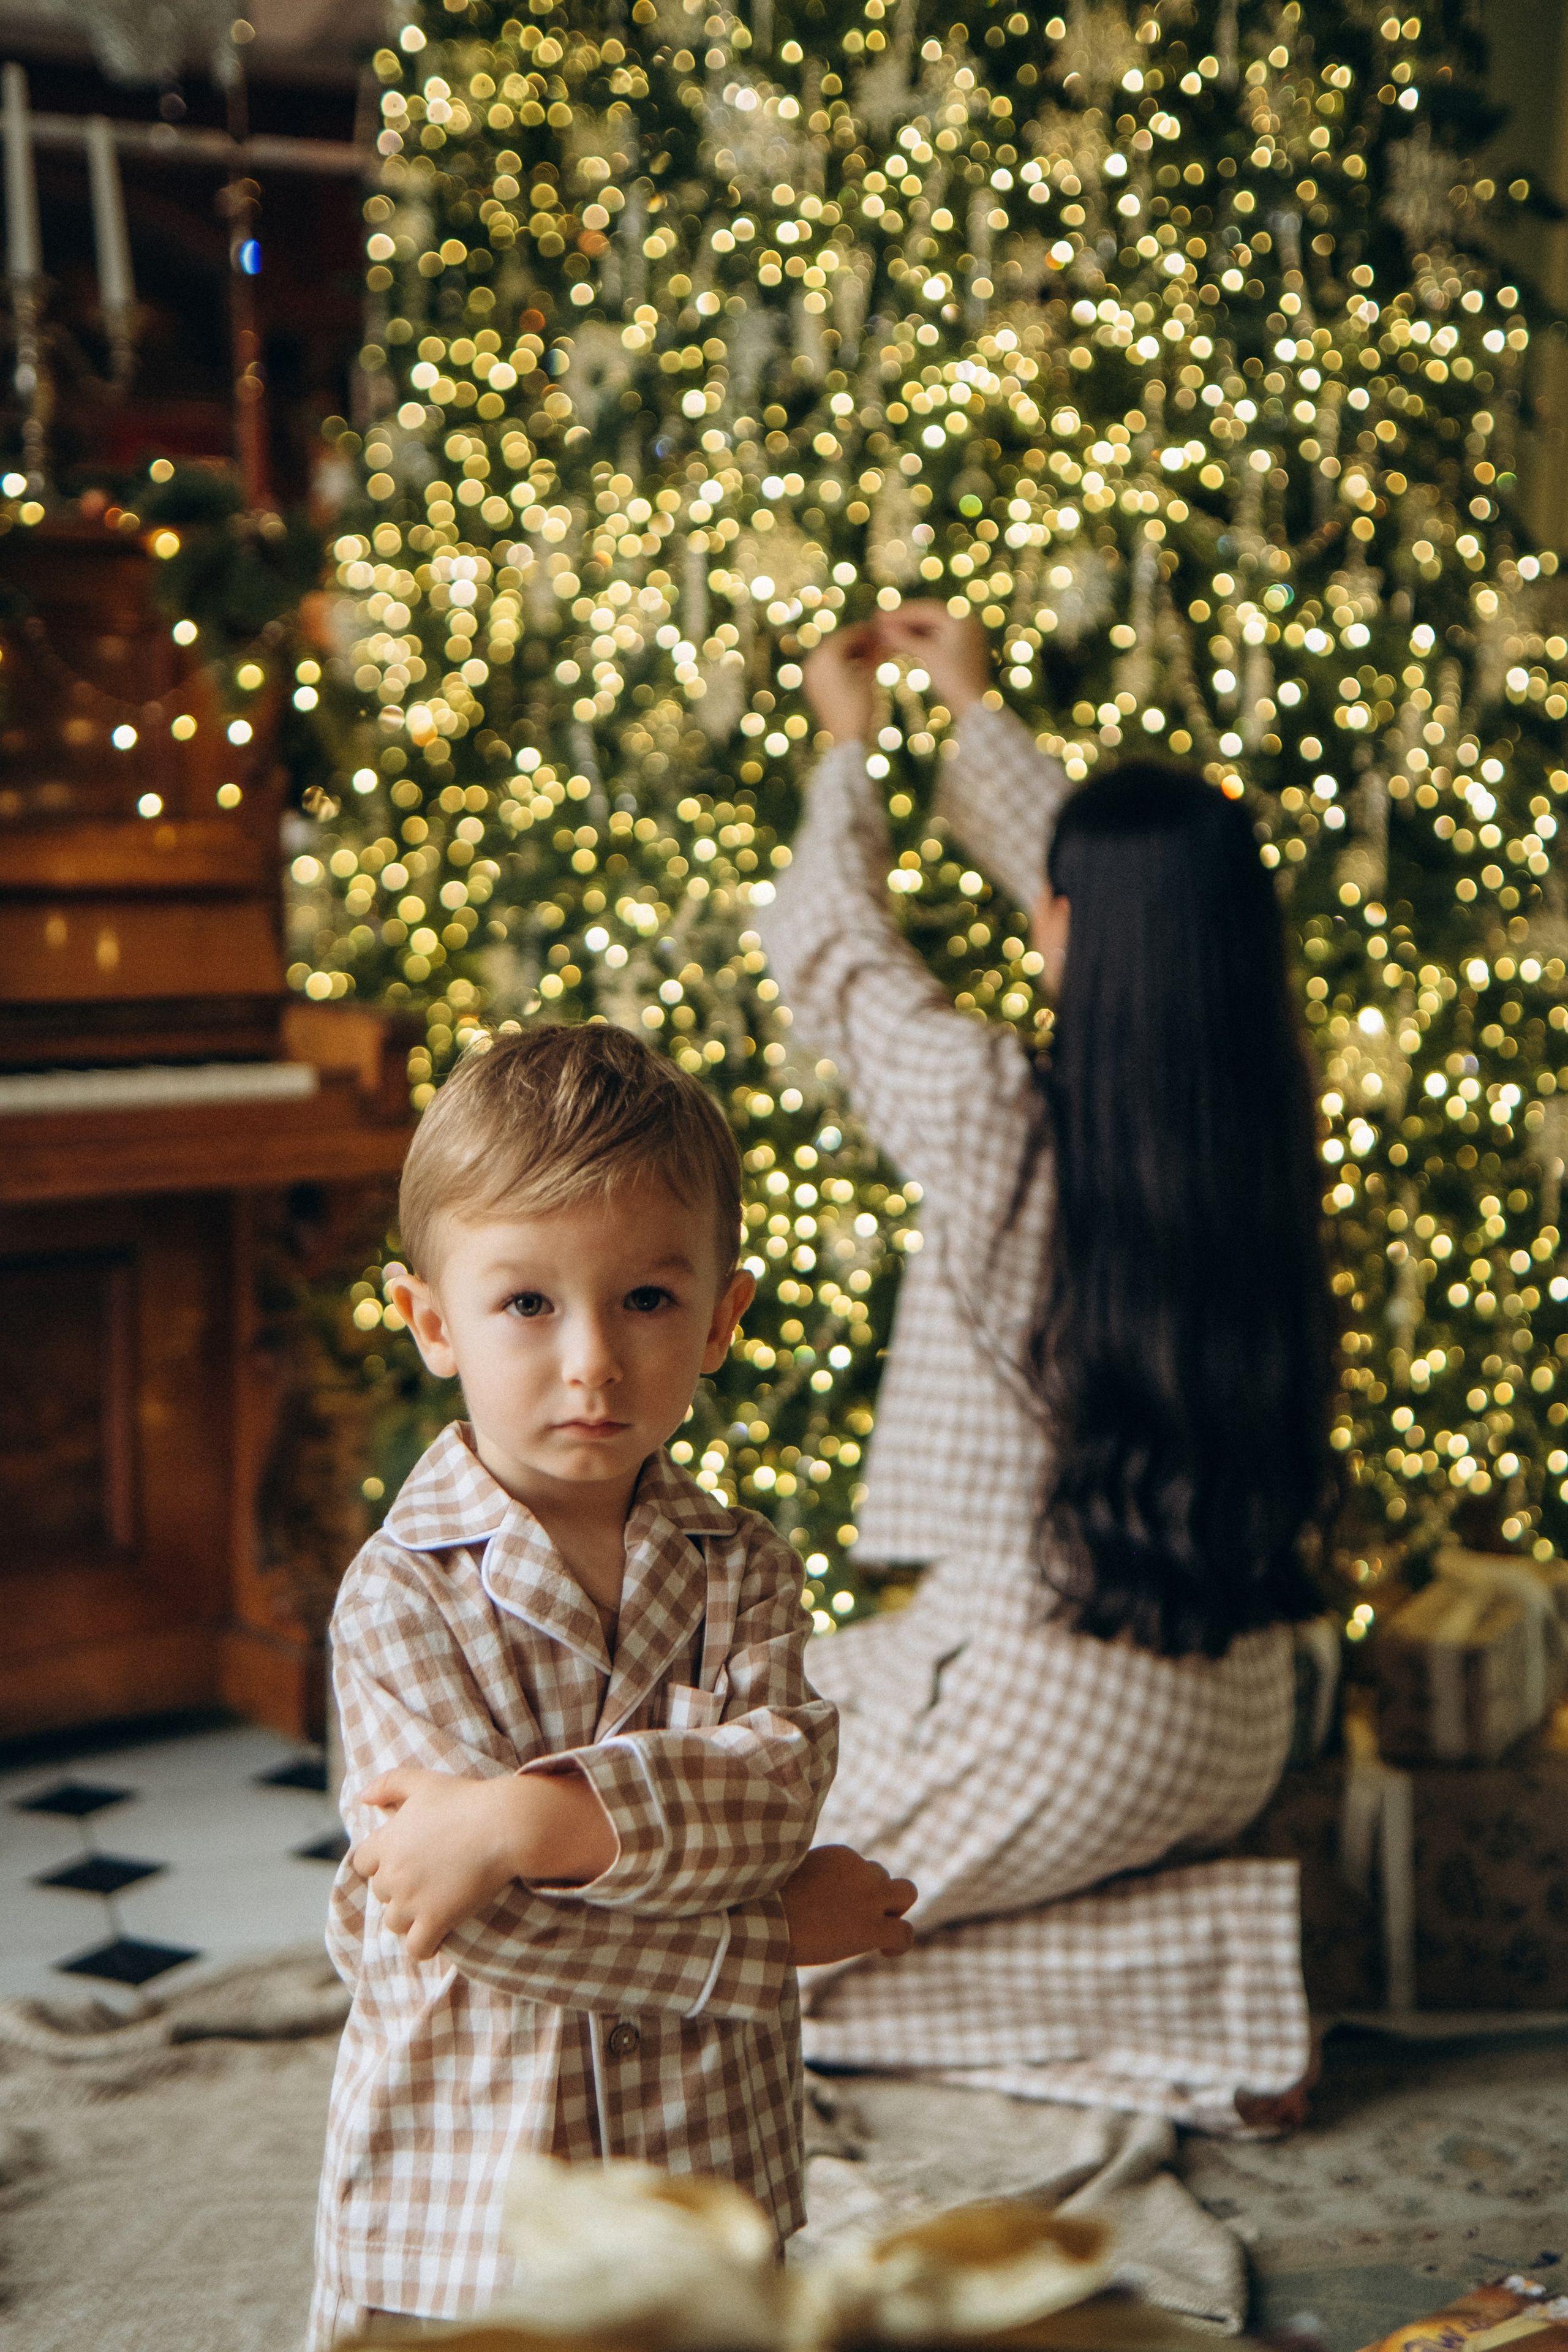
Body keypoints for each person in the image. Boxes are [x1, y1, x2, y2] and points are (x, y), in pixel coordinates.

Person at [758, 605, 1335, 2136]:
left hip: (1049, 1718)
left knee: (696, 1934)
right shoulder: (1259, 1144)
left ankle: (1198, 1979)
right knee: (792, 1704)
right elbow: (1141, 920)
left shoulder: (993, 1116)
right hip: (1235, 1722)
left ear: (1062, 925)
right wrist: (977, 711)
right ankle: (1196, 1957)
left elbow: (828, 953)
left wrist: (850, 745)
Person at [309, 1025, 916, 2346]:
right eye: (526, 1303)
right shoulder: (399, 1594)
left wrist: (525, 1825)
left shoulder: (741, 1565)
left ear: (717, 1320)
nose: (590, 1359)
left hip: (708, 2148)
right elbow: (455, 1919)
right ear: (432, 1323)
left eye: (643, 1300)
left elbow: (772, 1794)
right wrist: (768, 1937)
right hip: (473, 2180)